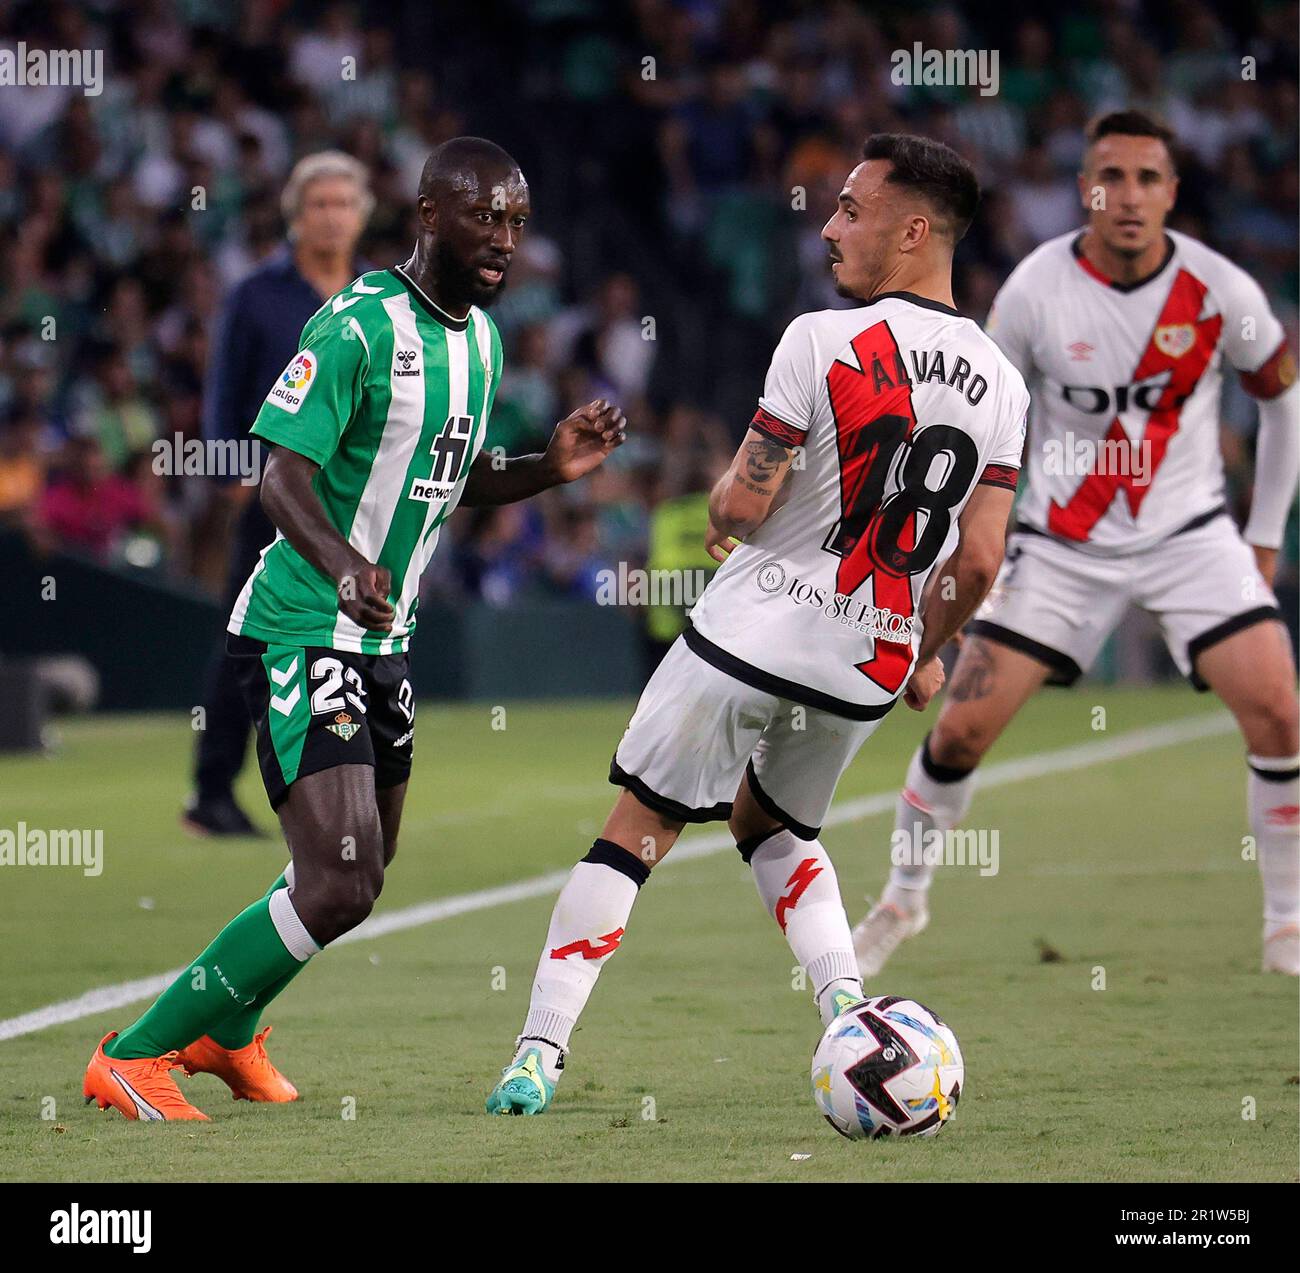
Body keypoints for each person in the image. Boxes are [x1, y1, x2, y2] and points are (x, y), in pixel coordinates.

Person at [83, 137, 627, 1121]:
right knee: (337, 877)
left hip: (384, 642)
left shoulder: (483, 341)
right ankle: (133, 1051)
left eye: (515, 219)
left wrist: (546, 466)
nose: (503, 238)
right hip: (301, 624)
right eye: (482, 216)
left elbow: (447, 480)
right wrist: (342, 565)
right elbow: (280, 468)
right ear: (427, 215)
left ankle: (229, 1030)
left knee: (352, 878)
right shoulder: (358, 325)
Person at [485, 134, 1029, 1115]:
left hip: (750, 636)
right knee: (770, 823)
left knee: (637, 831)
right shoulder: (1006, 382)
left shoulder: (819, 339)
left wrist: (734, 515)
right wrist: (929, 645)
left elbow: (736, 508)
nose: (828, 227)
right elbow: (980, 560)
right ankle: (852, 1016)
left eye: (851, 211)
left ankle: (537, 1052)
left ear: (912, 229)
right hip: (864, 661)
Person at [853, 111, 1300, 979]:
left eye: (1147, 178)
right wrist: (951, 543)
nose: (1127, 195)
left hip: (1192, 537)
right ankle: (903, 899)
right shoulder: (1033, 290)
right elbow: (977, 414)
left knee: (1281, 712)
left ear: (1172, 192)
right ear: (1084, 189)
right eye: (1110, 177)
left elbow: (1281, 400)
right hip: (1059, 546)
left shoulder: (1218, 290)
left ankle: (1286, 921)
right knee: (959, 734)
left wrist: (1264, 535)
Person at [183, 151, 373, 837]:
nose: (330, 215)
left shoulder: (372, 297)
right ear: (295, 214)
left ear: (361, 216)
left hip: (354, 500)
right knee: (248, 637)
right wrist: (232, 474)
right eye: (318, 202)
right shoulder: (257, 295)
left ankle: (344, 778)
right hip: (275, 496)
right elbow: (222, 394)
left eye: (342, 203)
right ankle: (211, 789)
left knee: (356, 633)